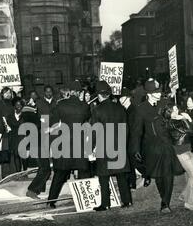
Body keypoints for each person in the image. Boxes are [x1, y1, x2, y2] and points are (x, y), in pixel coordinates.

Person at [130, 78, 183, 213]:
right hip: (151, 147)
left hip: (166, 144)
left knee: (168, 173)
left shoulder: (165, 103)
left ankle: (165, 203)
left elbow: (175, 115)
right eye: (156, 92)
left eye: (159, 91)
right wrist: (135, 148)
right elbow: (137, 131)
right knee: (158, 175)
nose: (159, 94)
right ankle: (163, 197)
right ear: (148, 93)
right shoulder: (141, 109)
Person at [47, 86, 91, 208]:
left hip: (64, 142)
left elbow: (53, 122)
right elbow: (86, 119)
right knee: (83, 172)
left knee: (60, 173)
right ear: (78, 93)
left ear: (69, 93)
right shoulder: (84, 106)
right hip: (79, 142)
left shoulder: (60, 105)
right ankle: (87, 199)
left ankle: (51, 200)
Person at [91, 81, 132, 211]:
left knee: (104, 176)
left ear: (99, 95)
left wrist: (92, 147)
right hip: (119, 144)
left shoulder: (97, 110)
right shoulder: (120, 108)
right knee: (121, 176)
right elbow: (126, 128)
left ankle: (106, 204)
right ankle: (127, 201)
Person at [163, 104, 193, 211]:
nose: (176, 112)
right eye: (172, 110)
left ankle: (184, 196)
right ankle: (190, 203)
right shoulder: (171, 123)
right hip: (181, 151)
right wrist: (186, 118)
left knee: (192, 175)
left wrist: (187, 118)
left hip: (186, 150)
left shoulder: (177, 121)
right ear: (168, 113)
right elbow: (190, 131)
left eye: (176, 109)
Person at [26, 85, 57, 199]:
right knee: (45, 168)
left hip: (50, 136)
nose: (49, 93)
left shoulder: (56, 102)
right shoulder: (38, 105)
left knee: (44, 166)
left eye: (50, 91)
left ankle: (38, 189)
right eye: (47, 91)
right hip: (40, 138)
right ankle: (32, 190)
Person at [119, 88, 150, 190]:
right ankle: (132, 183)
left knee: (136, 162)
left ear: (127, 98)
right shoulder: (124, 110)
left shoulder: (134, 110)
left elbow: (136, 128)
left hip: (134, 140)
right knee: (130, 163)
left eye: (122, 97)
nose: (120, 100)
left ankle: (147, 175)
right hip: (127, 139)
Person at [0, 87, 15, 179]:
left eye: (9, 93)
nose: (8, 94)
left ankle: (14, 173)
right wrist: (2, 128)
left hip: (13, 132)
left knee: (13, 153)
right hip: (4, 133)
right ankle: (6, 174)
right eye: (6, 93)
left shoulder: (13, 103)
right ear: (2, 94)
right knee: (5, 153)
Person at [7, 99, 25, 173]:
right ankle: (18, 173)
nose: (19, 106)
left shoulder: (25, 115)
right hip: (14, 138)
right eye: (17, 104)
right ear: (14, 106)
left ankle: (25, 172)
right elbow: (12, 125)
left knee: (24, 156)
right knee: (16, 155)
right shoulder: (10, 116)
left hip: (23, 137)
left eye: (20, 104)